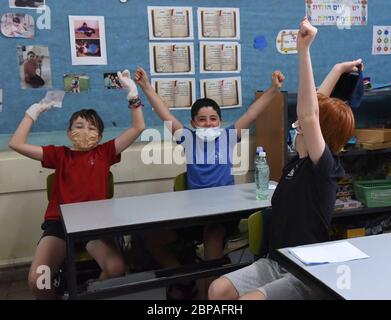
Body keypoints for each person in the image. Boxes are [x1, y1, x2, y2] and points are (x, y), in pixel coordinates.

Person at [208, 17, 357, 300]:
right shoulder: (298, 161)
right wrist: (337, 69)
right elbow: (317, 103)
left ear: (317, 131)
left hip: (306, 269)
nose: (300, 121)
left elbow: (311, 112)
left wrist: (304, 50)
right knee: (218, 289)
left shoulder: (324, 167)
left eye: (307, 121)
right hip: (275, 261)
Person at [134, 66, 284, 299]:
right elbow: (164, 113)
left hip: (224, 215)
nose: (208, 123)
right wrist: (145, 86)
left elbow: (253, 113)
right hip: (194, 215)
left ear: (220, 121)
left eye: (213, 119)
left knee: (212, 238)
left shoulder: (228, 136)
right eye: (201, 120)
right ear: (193, 123)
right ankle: (183, 278)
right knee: (150, 238)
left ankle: (207, 298)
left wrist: (273, 89)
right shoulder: (187, 139)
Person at [8, 69, 145, 299]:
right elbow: (17, 143)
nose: (85, 131)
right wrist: (33, 112)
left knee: (115, 269)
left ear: (100, 136)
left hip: (95, 225)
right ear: (69, 133)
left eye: (92, 128)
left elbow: (138, 128)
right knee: (37, 280)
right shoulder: (59, 155)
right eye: (79, 126)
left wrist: (132, 94)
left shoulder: (105, 153)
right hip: (59, 225)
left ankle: (85, 293)